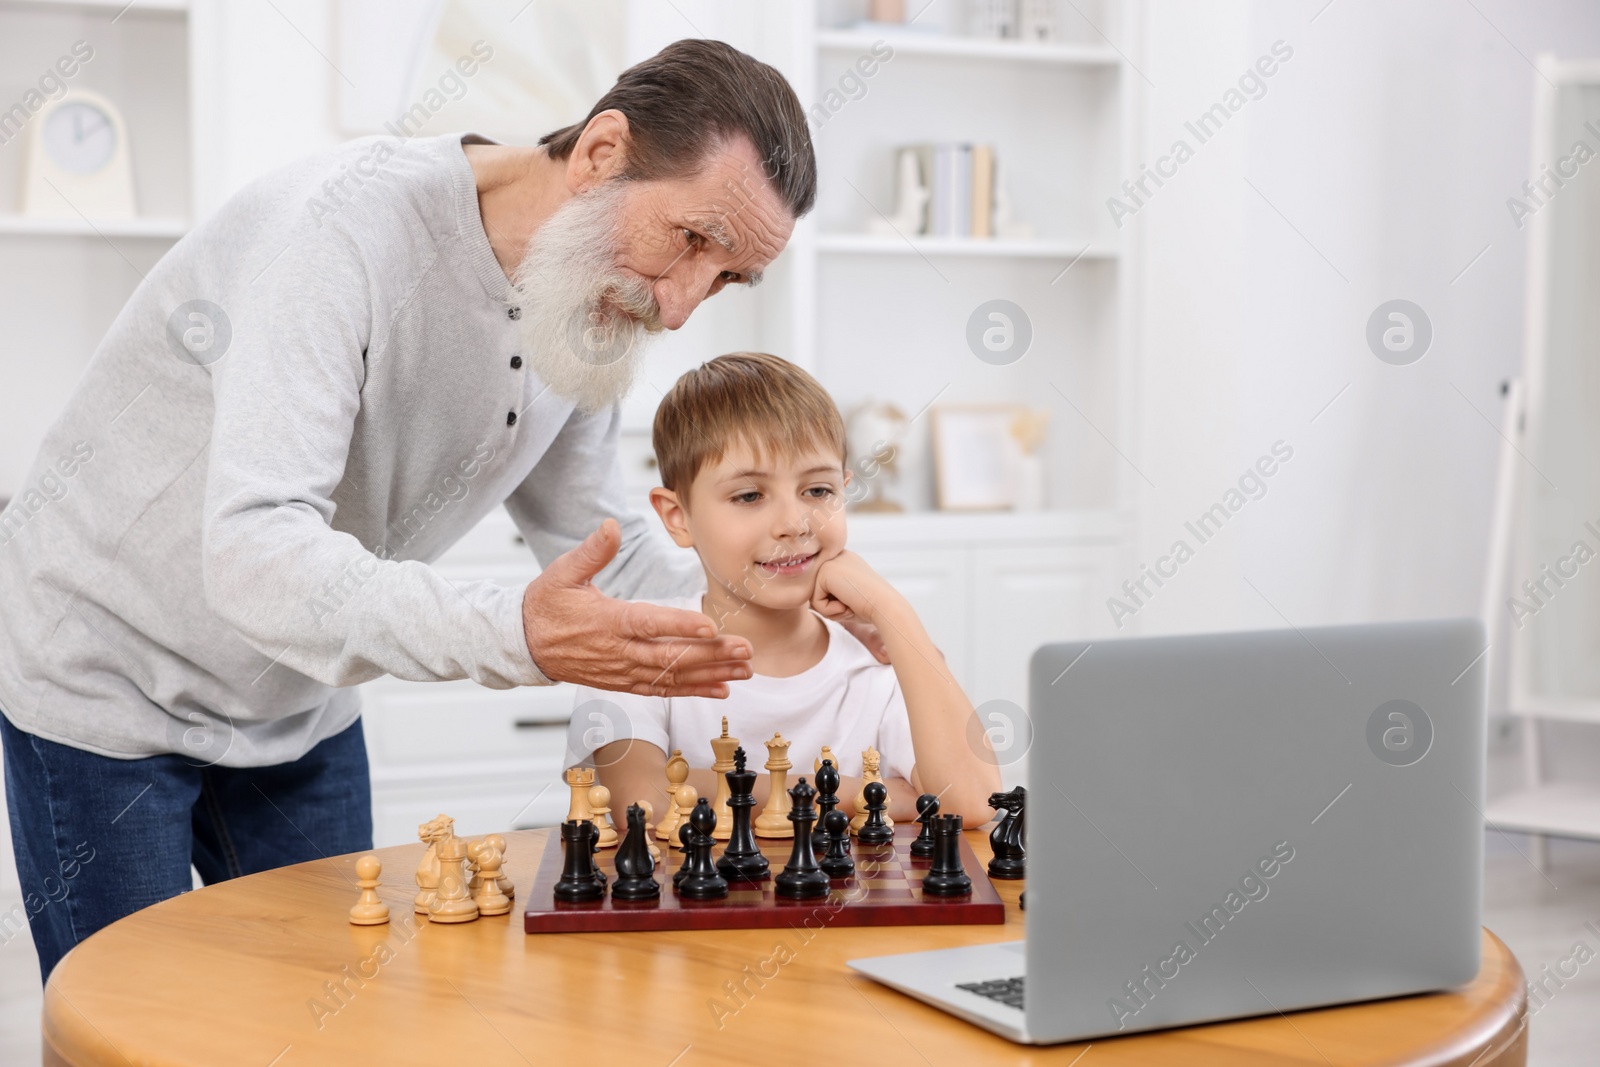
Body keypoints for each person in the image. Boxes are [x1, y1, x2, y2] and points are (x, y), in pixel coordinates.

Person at [0, 40, 883, 982]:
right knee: (138, 1018)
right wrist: (518, 633)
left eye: (725, 277)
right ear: (601, 153)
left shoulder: (588, 301)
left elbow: (604, 547)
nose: (678, 309)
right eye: (692, 239)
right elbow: (257, 551)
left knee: (328, 1015)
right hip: (108, 675)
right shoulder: (338, 235)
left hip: (296, 699)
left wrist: (797, 586)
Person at [568, 354, 1000, 823]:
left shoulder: (877, 661)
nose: (795, 524)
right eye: (749, 496)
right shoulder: (636, 654)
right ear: (678, 517)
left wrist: (891, 610)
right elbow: (647, 799)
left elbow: (973, 803)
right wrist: (884, 796)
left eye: (818, 491)